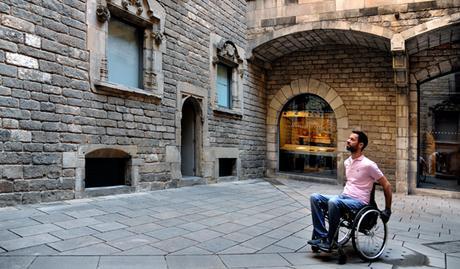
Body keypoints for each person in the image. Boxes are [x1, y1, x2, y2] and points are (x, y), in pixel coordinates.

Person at [307, 131, 392, 251]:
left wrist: (388, 209)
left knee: (333, 202)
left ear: (360, 145)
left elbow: (387, 185)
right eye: (348, 138)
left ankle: (331, 241)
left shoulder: (369, 165)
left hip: (359, 202)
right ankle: (322, 236)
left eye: (352, 139)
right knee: (315, 197)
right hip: (344, 197)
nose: (348, 140)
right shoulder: (347, 162)